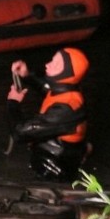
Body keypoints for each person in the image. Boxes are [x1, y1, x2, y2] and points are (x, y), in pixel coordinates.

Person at [7, 47, 90, 181]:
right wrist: (27, 74)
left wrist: (13, 102)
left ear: (67, 73)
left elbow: (19, 133)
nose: (47, 64)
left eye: (55, 64)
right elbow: (46, 88)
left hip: (56, 167)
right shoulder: (68, 89)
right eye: (52, 60)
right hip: (61, 152)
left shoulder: (66, 109)